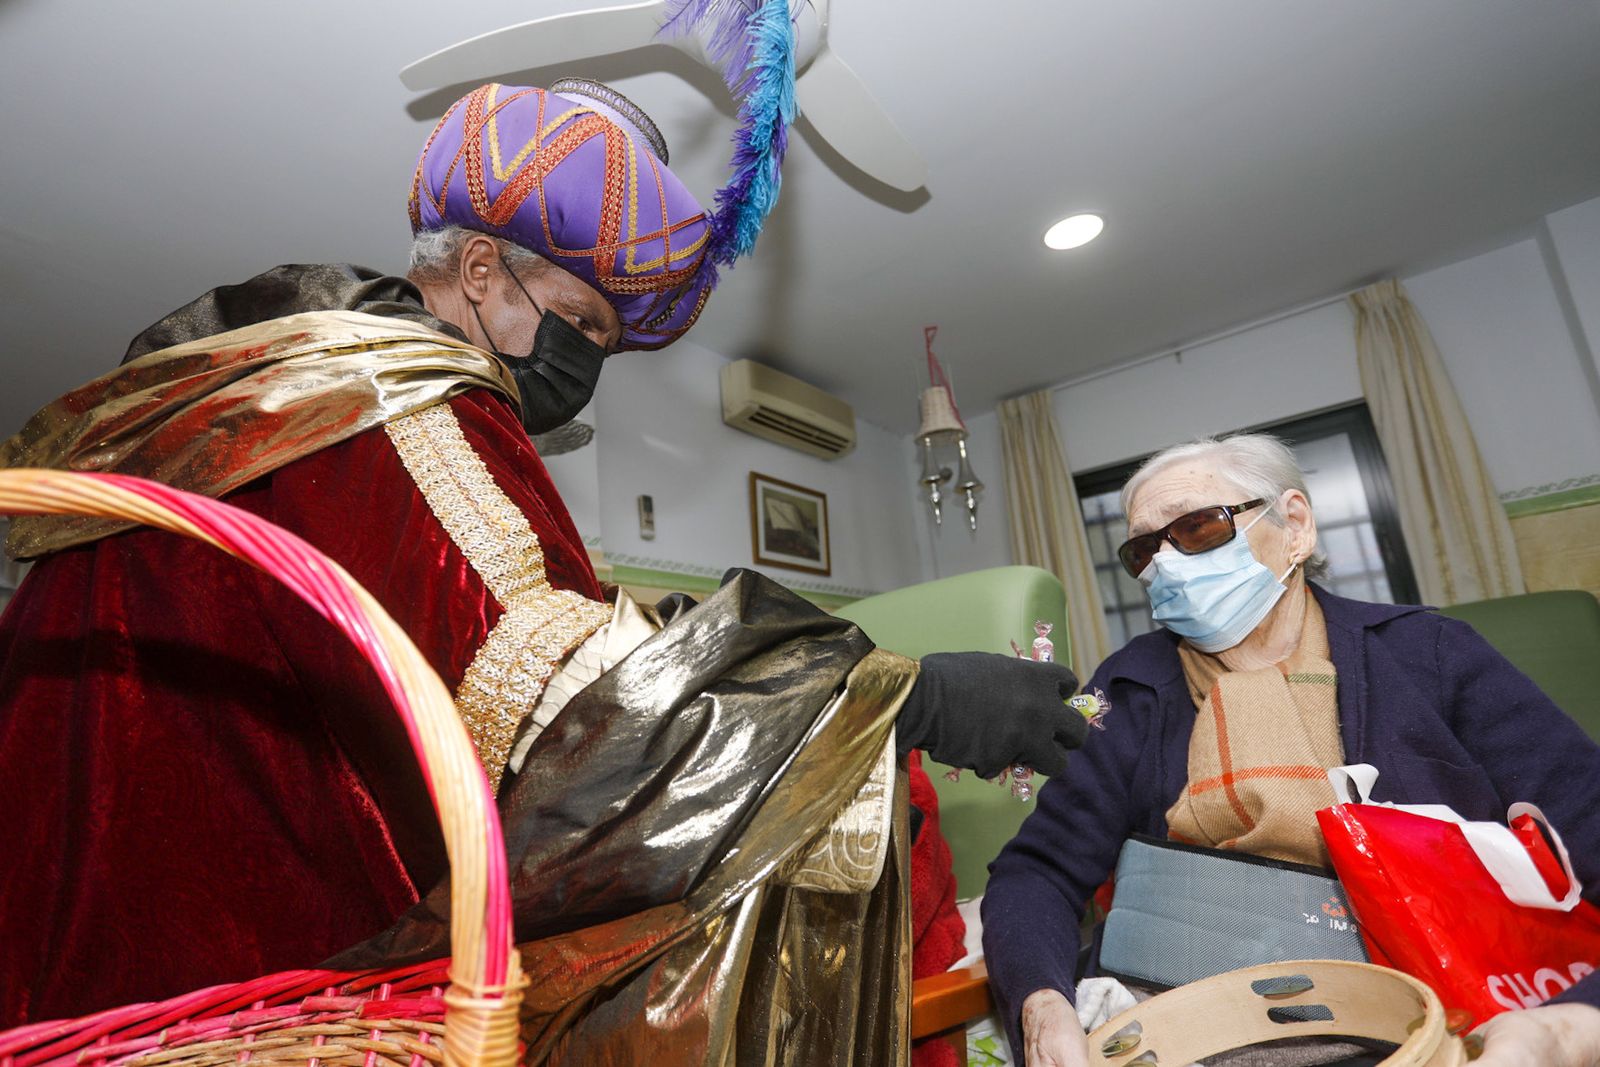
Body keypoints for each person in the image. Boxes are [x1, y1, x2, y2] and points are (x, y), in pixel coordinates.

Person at [0, 79, 1088, 1062]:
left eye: (604, 344)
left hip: (74, 975)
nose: (584, 369)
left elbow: (504, 625)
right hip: (235, 1003)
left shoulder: (268, 393)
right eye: (577, 321)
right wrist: (909, 697)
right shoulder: (401, 396)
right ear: (480, 271)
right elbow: (565, 701)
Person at [981, 433, 1600, 1067]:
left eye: (1197, 527)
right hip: (1194, 1025)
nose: (1165, 564)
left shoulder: (1430, 654)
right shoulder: (1129, 689)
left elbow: (1588, 820)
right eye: (1144, 549)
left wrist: (1574, 1025)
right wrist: (1042, 1005)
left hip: (1439, 1016)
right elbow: (1039, 872)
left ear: (1295, 525)